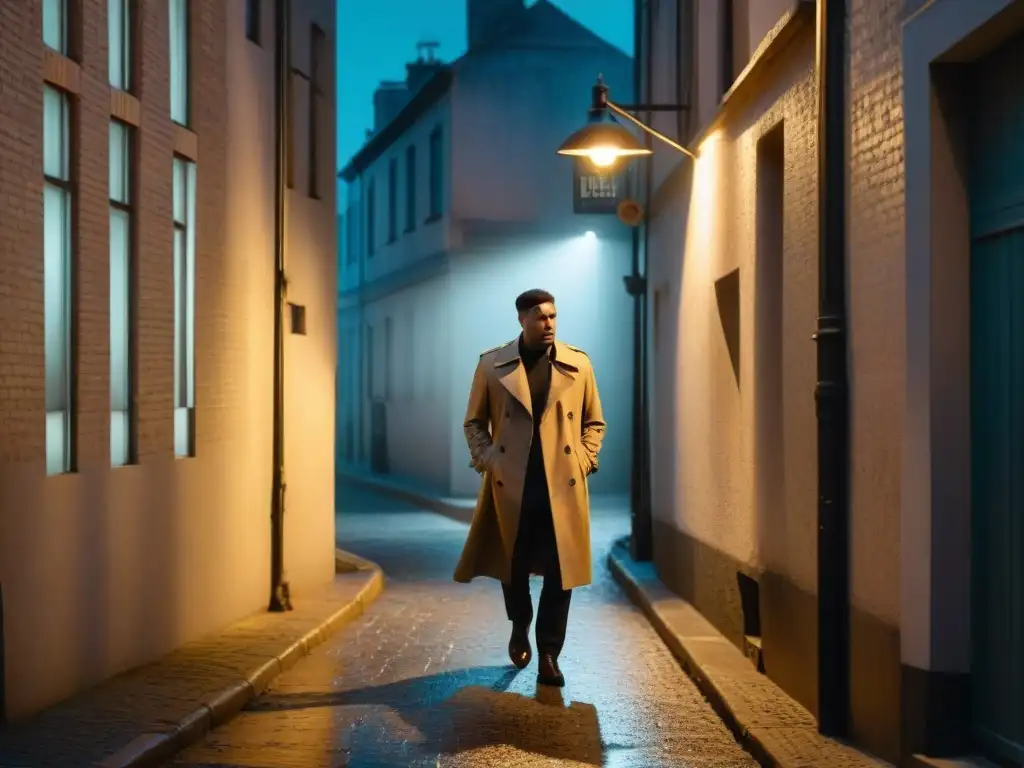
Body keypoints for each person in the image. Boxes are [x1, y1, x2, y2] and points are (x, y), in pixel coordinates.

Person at [454, 288, 606, 687]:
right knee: (513, 565)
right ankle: (520, 623)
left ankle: (550, 655)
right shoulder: (493, 365)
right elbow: (473, 422)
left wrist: (585, 459)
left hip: (562, 487)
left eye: (554, 316)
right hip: (514, 486)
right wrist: (490, 460)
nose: (550, 324)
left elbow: (594, 422)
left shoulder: (578, 364)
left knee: (562, 573)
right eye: (541, 317)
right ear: (522, 319)